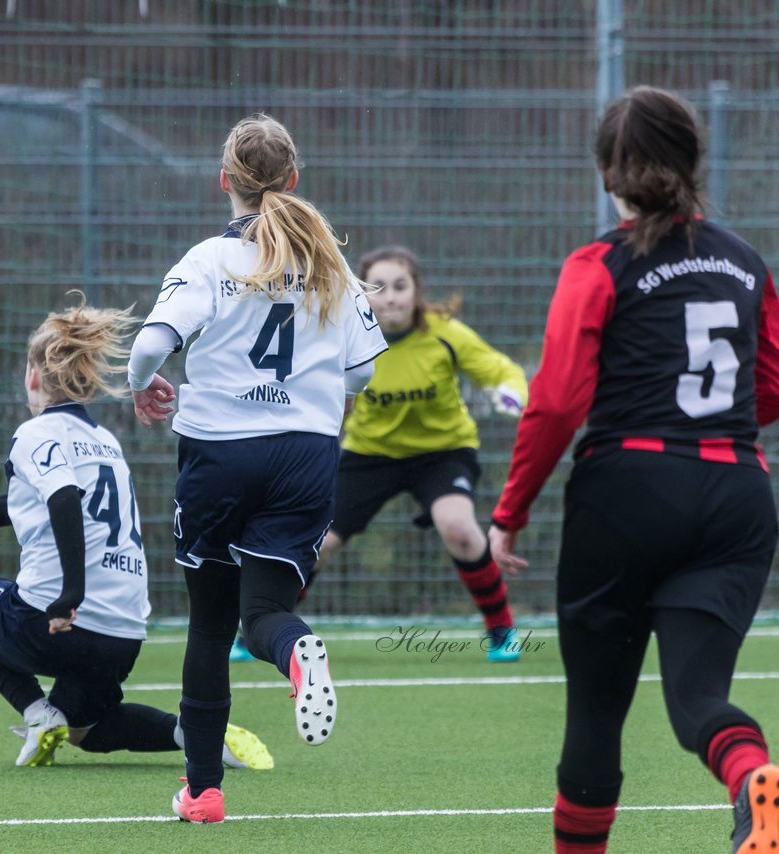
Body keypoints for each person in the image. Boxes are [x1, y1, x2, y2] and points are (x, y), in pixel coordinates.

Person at [486, 86, 779, 853]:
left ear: (609, 175)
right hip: (737, 493)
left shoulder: (600, 263)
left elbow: (555, 404)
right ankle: (751, 773)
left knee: (595, 715)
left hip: (628, 493)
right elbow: (771, 385)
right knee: (698, 696)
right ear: (692, 161)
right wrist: (710, 427)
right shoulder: (747, 263)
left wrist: (509, 511)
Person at [0, 293, 273, 772]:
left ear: (34, 375)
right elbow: (24, 506)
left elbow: (63, 500)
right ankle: (194, 733)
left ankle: (38, 714)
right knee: (88, 731)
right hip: (123, 638)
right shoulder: (104, 442)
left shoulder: (36, 434)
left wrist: (69, 595)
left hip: (56, 626)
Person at [128, 113, 388, 823]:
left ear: (226, 183)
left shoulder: (212, 259)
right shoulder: (331, 264)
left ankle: (204, 792)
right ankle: (298, 650)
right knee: (265, 612)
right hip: (306, 454)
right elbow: (363, 372)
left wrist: (139, 385)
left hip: (221, 452)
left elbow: (152, 345)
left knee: (211, 626)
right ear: (293, 180)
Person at [258, 244, 527, 664]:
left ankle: (502, 631)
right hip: (369, 454)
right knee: (318, 541)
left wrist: (511, 392)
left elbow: (501, 370)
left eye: (400, 286)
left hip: (443, 452)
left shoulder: (445, 334)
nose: (391, 296)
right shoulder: (346, 335)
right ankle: (264, 627)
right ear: (362, 295)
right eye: (379, 287)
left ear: (417, 291)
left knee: (457, 527)